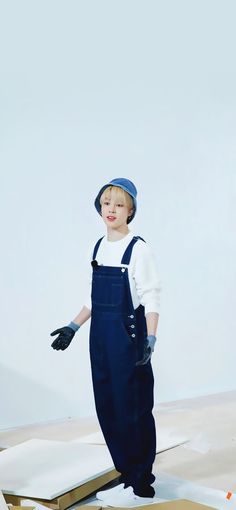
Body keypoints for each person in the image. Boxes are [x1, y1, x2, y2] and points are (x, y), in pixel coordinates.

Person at [50, 178, 161, 505]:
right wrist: (72, 327)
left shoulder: (139, 249)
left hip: (129, 334)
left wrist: (151, 337)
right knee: (108, 407)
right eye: (106, 203)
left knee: (135, 408)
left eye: (119, 204)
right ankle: (125, 470)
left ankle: (142, 474)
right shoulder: (96, 248)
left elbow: (152, 296)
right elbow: (92, 298)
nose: (111, 210)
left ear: (130, 211)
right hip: (100, 337)